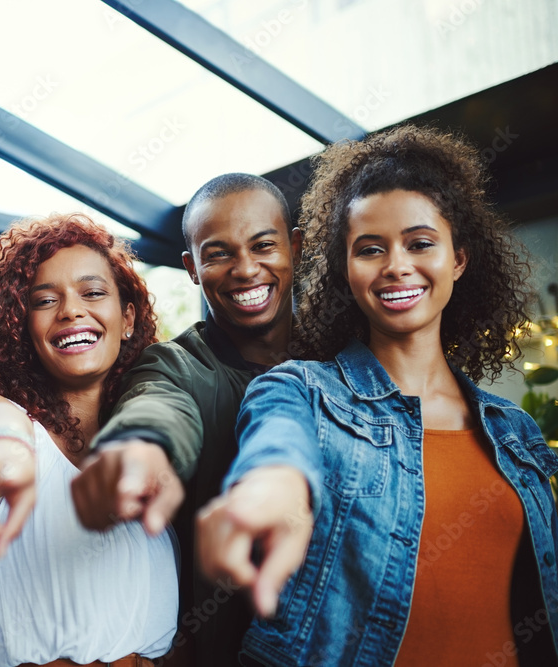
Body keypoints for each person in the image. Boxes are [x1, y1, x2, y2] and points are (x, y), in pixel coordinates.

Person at [198, 125, 558, 666]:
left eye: (420, 243)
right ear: (346, 269)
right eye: (370, 249)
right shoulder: (301, 390)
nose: (396, 265)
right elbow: (278, 444)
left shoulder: (515, 430)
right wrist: (273, 488)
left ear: (457, 259)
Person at [71, 174, 302, 664]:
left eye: (263, 245)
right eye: (218, 253)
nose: (245, 269)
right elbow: (156, 405)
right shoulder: (176, 366)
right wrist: (141, 447)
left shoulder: (344, 360)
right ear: (192, 268)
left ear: (295, 248)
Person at [0, 213, 175, 667]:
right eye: (45, 300)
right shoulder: (4, 415)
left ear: (126, 318)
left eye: (92, 293)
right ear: (22, 328)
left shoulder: (154, 437)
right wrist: (1, 453)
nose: (71, 310)